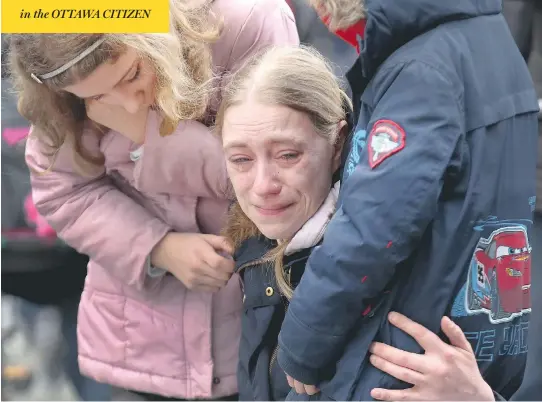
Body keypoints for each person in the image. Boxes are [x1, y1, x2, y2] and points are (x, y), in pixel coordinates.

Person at [8, 0, 299, 399]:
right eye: (95, 98)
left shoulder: (246, 21)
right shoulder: (56, 68)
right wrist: (156, 247)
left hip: (257, 333)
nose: (127, 104)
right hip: (141, 344)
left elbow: (285, 171)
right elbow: (62, 191)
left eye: (133, 74)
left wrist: (151, 136)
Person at [274, 0, 540, 400]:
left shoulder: (423, 72)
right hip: (468, 353)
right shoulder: (491, 43)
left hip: (400, 365)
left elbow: (370, 231)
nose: (314, 5)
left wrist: (300, 344)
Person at [216, 45, 349, 400]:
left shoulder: (371, 274)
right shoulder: (255, 250)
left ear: (337, 144)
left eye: (288, 155)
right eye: (241, 159)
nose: (263, 186)